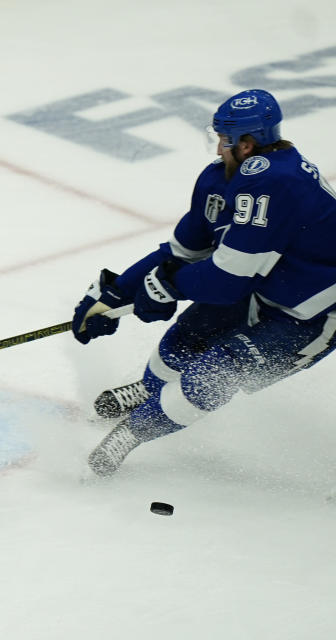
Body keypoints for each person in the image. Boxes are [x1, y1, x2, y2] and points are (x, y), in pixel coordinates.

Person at [71, 88, 336, 476]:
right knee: (189, 335)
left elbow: (226, 278)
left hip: (311, 314)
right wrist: (116, 292)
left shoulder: (276, 182)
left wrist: (162, 289)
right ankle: (149, 392)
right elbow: (182, 252)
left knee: (216, 373)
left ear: (247, 145)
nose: (217, 151)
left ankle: (134, 431)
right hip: (260, 288)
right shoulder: (221, 180)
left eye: (223, 141)